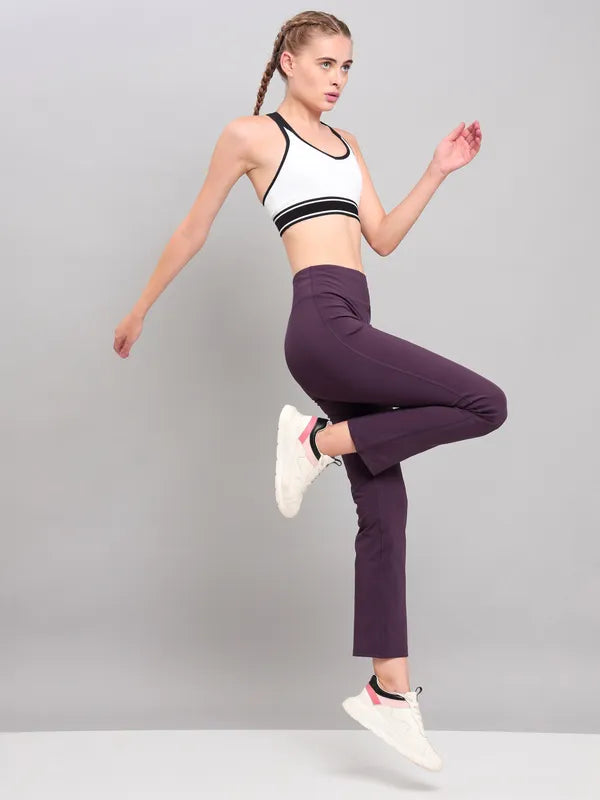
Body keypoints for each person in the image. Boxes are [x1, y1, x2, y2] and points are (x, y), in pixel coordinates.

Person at [113, 10, 506, 772]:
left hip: (354, 318)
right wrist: (139, 309)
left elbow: (381, 238)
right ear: (289, 61)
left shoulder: (348, 144)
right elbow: (193, 228)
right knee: (483, 403)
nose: (338, 79)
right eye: (326, 63)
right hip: (322, 325)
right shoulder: (251, 136)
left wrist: (437, 170)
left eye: (347, 67)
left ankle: (388, 691)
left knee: (385, 506)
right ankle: (317, 440)